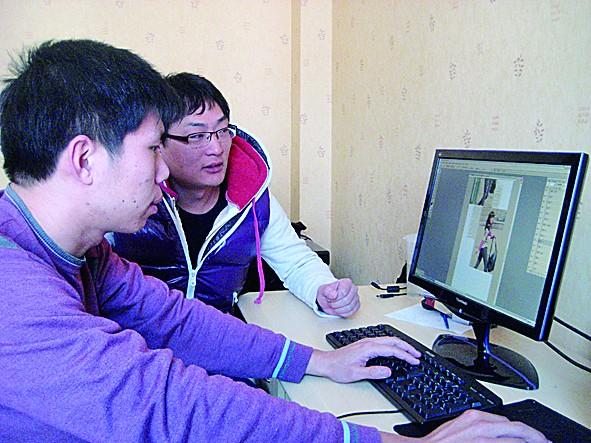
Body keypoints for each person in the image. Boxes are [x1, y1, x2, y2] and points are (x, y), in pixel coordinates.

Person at [0, 39, 548, 443]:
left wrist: (320, 361)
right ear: (85, 159)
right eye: (152, 150)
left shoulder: (84, 253)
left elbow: (176, 320)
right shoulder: (15, 294)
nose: (163, 170)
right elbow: (166, 405)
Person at [107, 73, 359, 318]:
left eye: (223, 131)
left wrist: (325, 291)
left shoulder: (252, 198)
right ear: (159, 143)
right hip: (137, 337)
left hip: (222, 333)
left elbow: (296, 262)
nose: (216, 148)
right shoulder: (129, 197)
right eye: (197, 136)